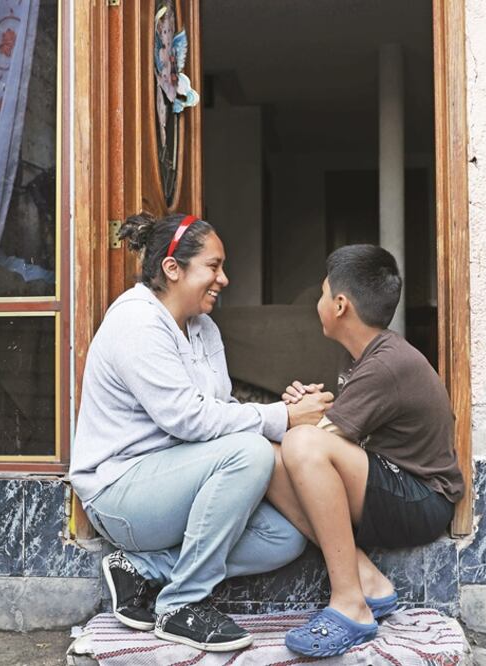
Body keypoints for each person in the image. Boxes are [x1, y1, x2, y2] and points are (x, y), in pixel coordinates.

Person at [68, 212, 332, 652]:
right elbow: (188, 419)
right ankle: (182, 605)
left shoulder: (203, 327)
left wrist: (288, 413)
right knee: (251, 453)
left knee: (283, 537)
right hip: (121, 493)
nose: (223, 279)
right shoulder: (136, 322)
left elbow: (219, 411)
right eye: (214, 266)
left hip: (175, 483)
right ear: (173, 268)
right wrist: (282, 418)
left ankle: (143, 569)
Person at [265, 244, 464, 658]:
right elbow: (339, 429)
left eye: (322, 293)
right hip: (393, 485)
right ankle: (368, 579)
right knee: (270, 458)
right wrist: (304, 409)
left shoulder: (386, 363)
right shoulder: (367, 355)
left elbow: (316, 439)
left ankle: (350, 605)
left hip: (423, 498)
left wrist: (299, 417)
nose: (318, 302)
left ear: (340, 305)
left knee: (300, 444)